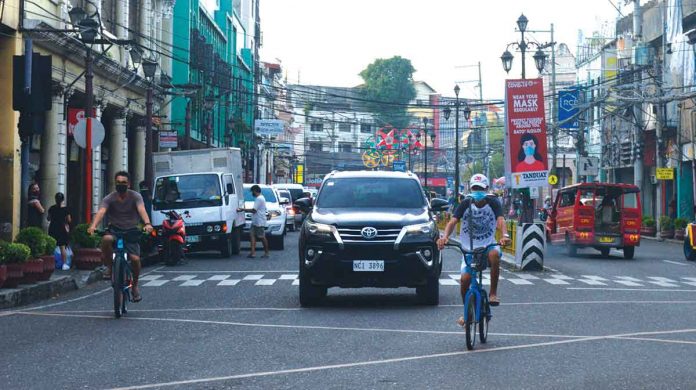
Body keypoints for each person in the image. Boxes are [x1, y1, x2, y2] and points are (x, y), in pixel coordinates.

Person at [437, 174, 511, 325]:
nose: (477, 192)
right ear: (470, 189)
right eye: (475, 188)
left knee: (495, 255)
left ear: (487, 189)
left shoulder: (493, 202)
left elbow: (501, 220)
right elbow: (453, 221)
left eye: (480, 189)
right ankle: (467, 312)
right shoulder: (465, 203)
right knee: (465, 281)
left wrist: (505, 235)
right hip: (469, 249)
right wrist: (444, 237)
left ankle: (493, 293)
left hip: (488, 244)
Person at [87, 171, 153, 302]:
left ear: (128, 184)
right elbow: (101, 211)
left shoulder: (136, 196)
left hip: (131, 232)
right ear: (115, 184)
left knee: (135, 259)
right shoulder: (109, 198)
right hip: (115, 231)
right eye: (118, 183)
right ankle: (110, 267)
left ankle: (134, 286)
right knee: (106, 239)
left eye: (123, 182)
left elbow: (142, 210)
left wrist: (147, 223)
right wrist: (93, 226)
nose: (121, 185)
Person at [238, 184, 269, 258]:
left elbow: (254, 210)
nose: (252, 193)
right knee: (252, 236)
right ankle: (252, 252)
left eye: (252, 192)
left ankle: (266, 252)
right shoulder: (261, 198)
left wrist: (242, 209)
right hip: (255, 221)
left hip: (259, 221)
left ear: (255, 191)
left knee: (261, 237)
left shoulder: (259, 199)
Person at [47, 192, 72, 270]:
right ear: (63, 199)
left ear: (55, 199)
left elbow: (48, 218)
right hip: (61, 228)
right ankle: (64, 264)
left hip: (53, 228)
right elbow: (69, 220)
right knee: (62, 247)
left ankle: (50, 264)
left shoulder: (52, 208)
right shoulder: (66, 209)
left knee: (51, 246)